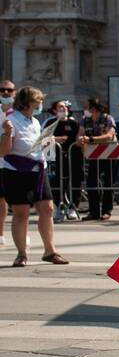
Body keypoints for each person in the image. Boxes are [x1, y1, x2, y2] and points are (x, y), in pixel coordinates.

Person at [0, 86, 68, 266]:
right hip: (16, 171)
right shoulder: (11, 120)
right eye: (38, 101)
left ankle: (50, 250)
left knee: (47, 209)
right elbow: (4, 151)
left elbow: (36, 144)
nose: (40, 104)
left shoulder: (35, 122)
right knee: (21, 213)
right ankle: (21, 254)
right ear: (28, 103)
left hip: (38, 170)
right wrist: (7, 133)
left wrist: (48, 141)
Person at [78, 98, 117, 221]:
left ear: (93, 109)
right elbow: (80, 133)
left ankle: (106, 211)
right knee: (91, 183)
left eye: (87, 107)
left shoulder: (108, 119)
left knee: (108, 183)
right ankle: (93, 211)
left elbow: (109, 136)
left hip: (109, 155)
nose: (85, 110)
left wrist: (90, 139)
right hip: (93, 155)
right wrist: (80, 139)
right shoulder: (85, 120)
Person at [47, 101, 83, 218]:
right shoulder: (50, 122)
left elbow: (80, 135)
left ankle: (73, 207)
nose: (63, 108)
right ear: (54, 110)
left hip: (74, 157)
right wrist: (55, 139)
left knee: (75, 181)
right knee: (58, 182)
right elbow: (42, 138)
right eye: (60, 107)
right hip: (57, 158)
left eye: (64, 106)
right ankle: (59, 207)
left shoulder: (74, 122)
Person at [0, 78, 14, 245]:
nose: (5, 93)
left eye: (9, 90)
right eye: (2, 90)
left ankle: (2, 232)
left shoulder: (17, 113)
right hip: (0, 161)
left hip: (12, 162)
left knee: (7, 200)